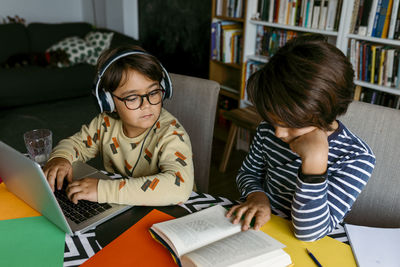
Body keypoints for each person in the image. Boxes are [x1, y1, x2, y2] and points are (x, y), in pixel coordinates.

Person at [226, 34, 376, 241]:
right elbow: (248, 173)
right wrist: (257, 196)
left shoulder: (356, 157)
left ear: (325, 110)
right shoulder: (268, 130)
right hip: (261, 232)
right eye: (273, 120)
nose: (278, 133)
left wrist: (314, 164)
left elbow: (310, 232)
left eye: (291, 123)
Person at [43, 45, 194, 206]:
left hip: (172, 211)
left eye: (153, 92)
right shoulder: (105, 123)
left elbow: (179, 188)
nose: (146, 105)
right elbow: (77, 144)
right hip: (126, 206)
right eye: (132, 98)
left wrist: (103, 190)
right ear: (107, 101)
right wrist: (60, 158)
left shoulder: (171, 133)